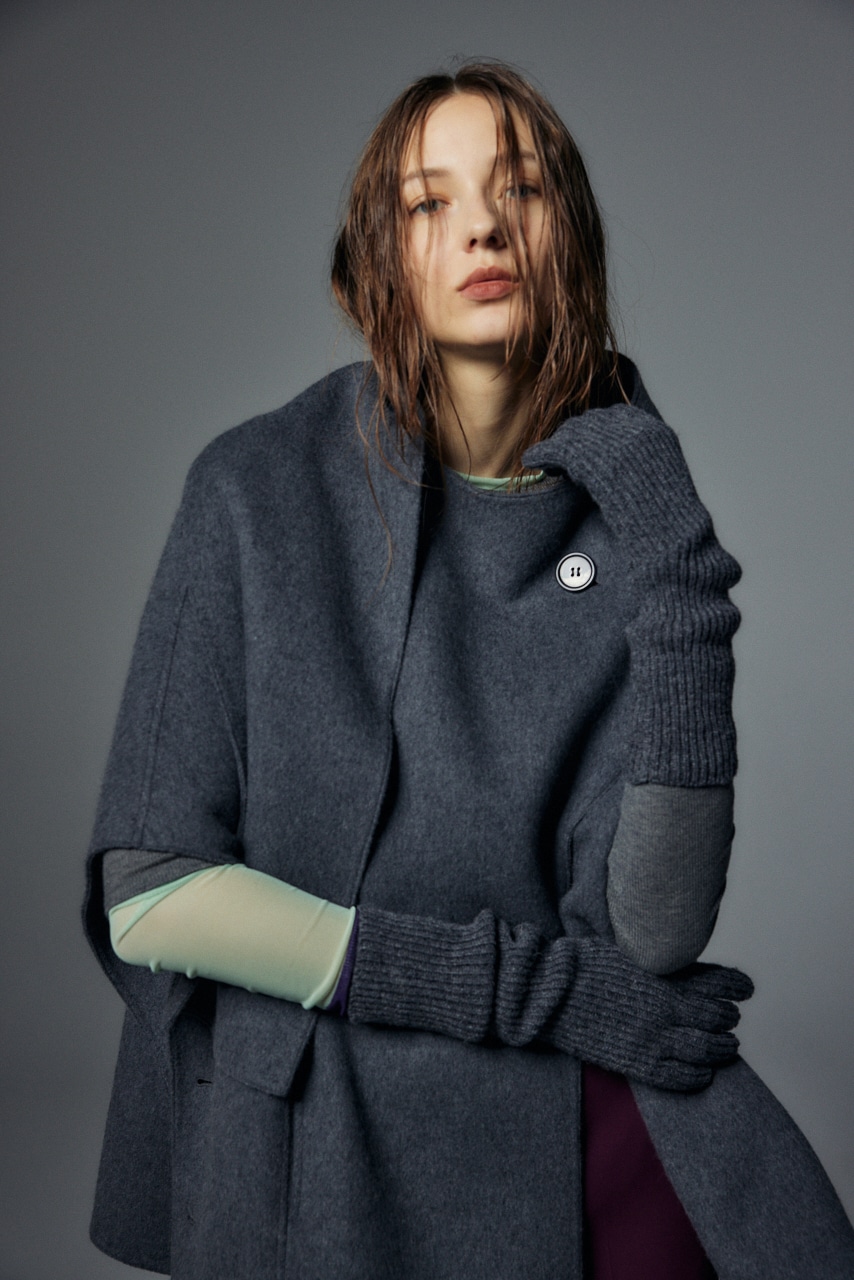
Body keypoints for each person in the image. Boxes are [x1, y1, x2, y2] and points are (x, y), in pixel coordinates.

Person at [82, 59, 854, 1280]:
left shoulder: (629, 516)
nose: (482, 226)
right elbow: (150, 888)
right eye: (426, 202)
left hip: (550, 1112)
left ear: (568, 234)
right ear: (372, 265)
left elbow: (653, 931)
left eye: (520, 188)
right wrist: (507, 987)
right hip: (318, 1120)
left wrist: (680, 575)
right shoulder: (251, 489)